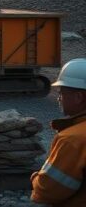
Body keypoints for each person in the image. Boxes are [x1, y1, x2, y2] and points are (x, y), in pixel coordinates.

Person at [31, 58, 86, 206]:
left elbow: (48, 192)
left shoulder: (73, 139)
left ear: (78, 97)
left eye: (61, 93)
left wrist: (35, 179)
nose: (59, 99)